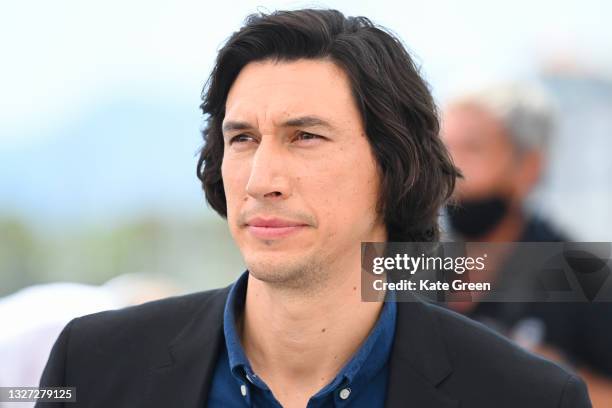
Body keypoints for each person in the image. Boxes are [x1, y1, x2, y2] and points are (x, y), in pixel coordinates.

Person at [37, 9, 591, 407]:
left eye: (304, 136)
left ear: (394, 165)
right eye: (243, 139)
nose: (261, 180)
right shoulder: (89, 367)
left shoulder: (534, 387)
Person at [442, 83, 612, 407]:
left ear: (529, 166)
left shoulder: (584, 274)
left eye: (472, 149)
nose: (452, 169)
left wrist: (550, 377)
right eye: (444, 148)